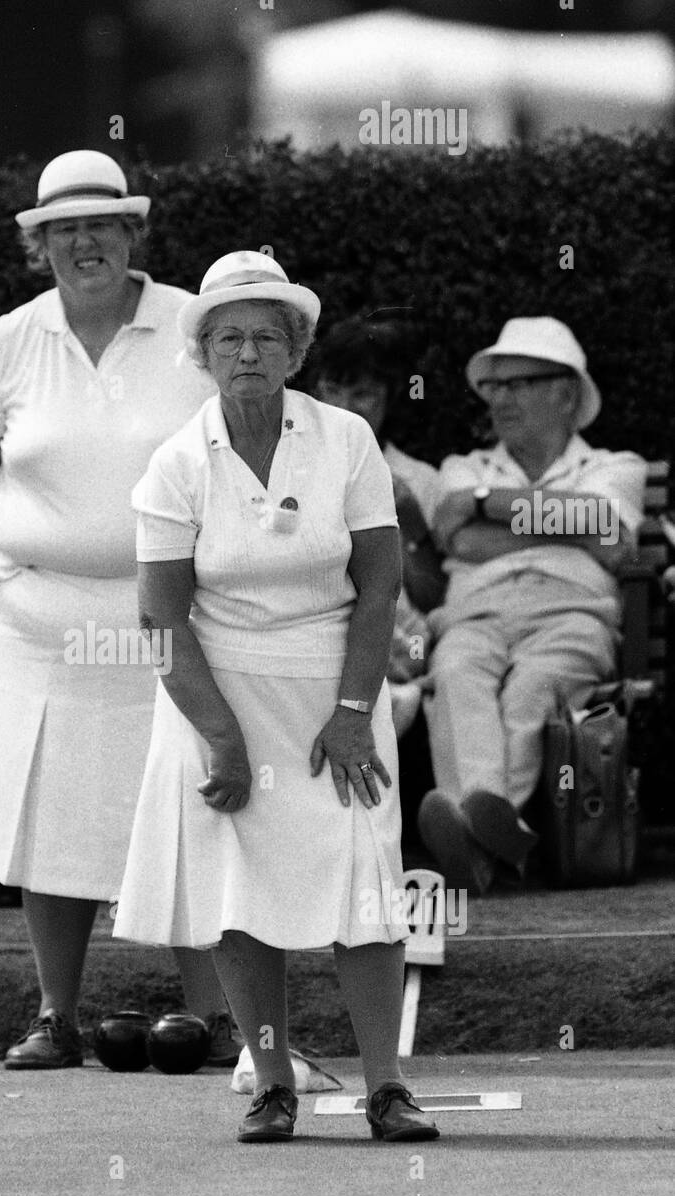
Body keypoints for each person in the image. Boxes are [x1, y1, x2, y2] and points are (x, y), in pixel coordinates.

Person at [113, 251, 441, 1144]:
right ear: (204, 354)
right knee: (237, 894)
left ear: (295, 351)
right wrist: (217, 735)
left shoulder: (347, 440)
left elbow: (379, 588)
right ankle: (270, 1086)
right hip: (214, 691)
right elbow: (160, 617)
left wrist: (349, 713)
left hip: (338, 688)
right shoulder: (176, 462)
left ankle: (386, 1089)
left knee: (363, 885)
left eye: (267, 336)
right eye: (229, 337)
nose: (248, 352)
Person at [0, 150, 238, 1069]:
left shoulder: (197, 324)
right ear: (42, 245)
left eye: (101, 225)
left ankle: (217, 1016)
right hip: (44, 619)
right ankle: (55, 1017)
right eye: (64, 230)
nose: (84, 243)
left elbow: (237, 449)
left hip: (172, 611)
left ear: (132, 233)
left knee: (188, 800)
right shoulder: (4, 341)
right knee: (50, 817)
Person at [418, 317, 647, 894]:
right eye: (495, 386)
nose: (499, 398)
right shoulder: (463, 467)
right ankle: (497, 832)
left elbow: (607, 531)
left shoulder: (616, 466)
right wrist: (564, 523)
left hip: (571, 613)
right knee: (455, 672)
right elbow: (454, 537)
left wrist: (483, 505)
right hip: (475, 613)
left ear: (564, 392)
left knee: (533, 690)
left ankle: (475, 838)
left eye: (518, 383)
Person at [310, 314, 445, 737]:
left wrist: (413, 527)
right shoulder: (291, 468)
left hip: (397, 648)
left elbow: (435, 599)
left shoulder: (419, 480)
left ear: (390, 399)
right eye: (334, 391)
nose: (346, 409)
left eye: (363, 394)